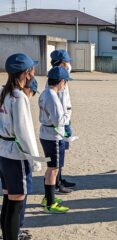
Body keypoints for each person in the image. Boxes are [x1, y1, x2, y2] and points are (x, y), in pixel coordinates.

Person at [0, 53, 39, 240]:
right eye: (32, 68)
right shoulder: (19, 97)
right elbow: (24, 132)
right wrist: (35, 158)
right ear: (27, 73)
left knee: (9, 198)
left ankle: (9, 235)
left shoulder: (4, 92)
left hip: (4, 152)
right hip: (16, 155)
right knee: (16, 201)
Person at [39, 66, 71, 213]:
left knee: (50, 168)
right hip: (53, 136)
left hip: (46, 134)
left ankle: (48, 197)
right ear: (61, 82)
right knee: (54, 169)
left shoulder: (45, 92)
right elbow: (59, 120)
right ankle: (50, 204)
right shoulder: (53, 96)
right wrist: (67, 116)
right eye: (65, 82)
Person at [49, 49, 75, 194]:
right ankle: (57, 183)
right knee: (59, 154)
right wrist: (63, 122)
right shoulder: (57, 77)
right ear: (60, 63)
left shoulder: (61, 73)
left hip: (66, 119)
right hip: (60, 121)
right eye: (67, 61)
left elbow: (68, 68)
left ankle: (60, 178)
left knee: (62, 151)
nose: (69, 64)